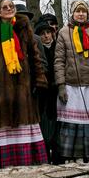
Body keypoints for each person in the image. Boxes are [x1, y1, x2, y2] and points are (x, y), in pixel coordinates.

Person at [0, 0, 48, 169]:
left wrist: (39, 79)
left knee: (24, 123)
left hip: (23, 86)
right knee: (1, 125)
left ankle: (27, 161)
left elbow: (35, 57)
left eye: (11, 6)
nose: (9, 9)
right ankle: (0, 163)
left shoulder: (24, 28)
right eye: (4, 7)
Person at [54, 0, 89, 161]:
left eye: (83, 11)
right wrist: (61, 85)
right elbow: (59, 60)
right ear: (72, 13)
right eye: (77, 11)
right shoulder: (64, 33)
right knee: (73, 120)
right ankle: (73, 155)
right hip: (71, 85)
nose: (80, 14)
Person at [34, 19, 60, 163]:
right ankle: (44, 156)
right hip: (42, 92)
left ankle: (57, 156)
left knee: (56, 123)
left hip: (56, 90)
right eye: (42, 33)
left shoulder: (57, 47)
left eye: (48, 32)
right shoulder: (37, 49)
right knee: (43, 124)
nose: (46, 36)